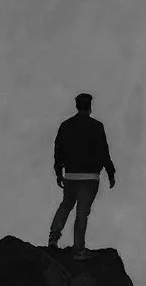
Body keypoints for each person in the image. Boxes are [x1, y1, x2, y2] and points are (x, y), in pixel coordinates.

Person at [47, 92, 117, 252]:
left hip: (70, 176)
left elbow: (58, 150)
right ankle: (78, 249)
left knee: (66, 205)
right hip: (90, 177)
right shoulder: (97, 126)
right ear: (90, 107)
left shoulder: (65, 126)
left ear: (77, 106)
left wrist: (58, 172)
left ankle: (53, 236)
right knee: (82, 213)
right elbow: (104, 152)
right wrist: (111, 173)